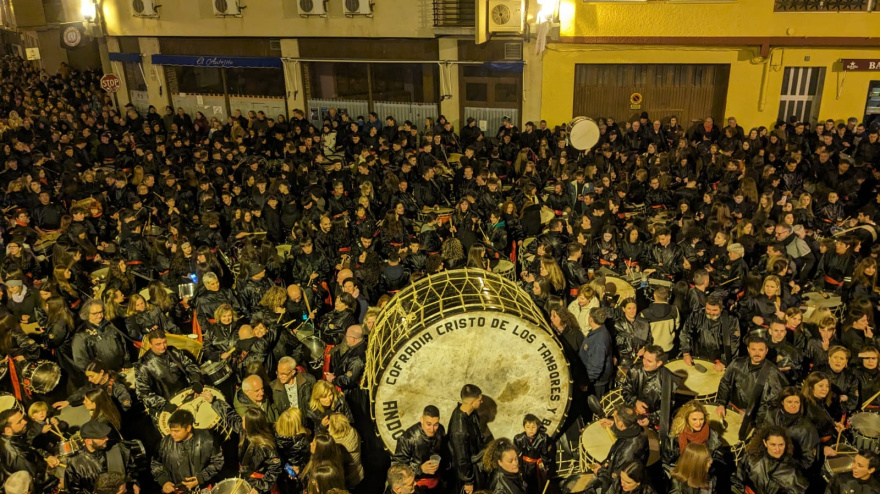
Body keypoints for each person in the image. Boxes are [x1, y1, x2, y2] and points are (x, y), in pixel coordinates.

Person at [715, 336, 786, 434]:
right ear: (748, 349)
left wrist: (751, 416)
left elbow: (773, 404)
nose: (757, 353)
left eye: (760, 350)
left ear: (766, 351)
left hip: (756, 421)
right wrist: (721, 403)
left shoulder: (773, 373)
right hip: (732, 410)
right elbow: (725, 383)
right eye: (753, 349)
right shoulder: (737, 364)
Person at [134, 329, 203, 419]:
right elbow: (143, 393)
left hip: (187, 395)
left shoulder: (173, 351)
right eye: (158, 344)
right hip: (168, 406)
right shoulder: (143, 365)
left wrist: (196, 380)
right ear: (150, 345)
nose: (163, 346)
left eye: (164, 342)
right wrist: (164, 405)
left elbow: (190, 365)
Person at [151, 409, 224, 493]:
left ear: (188, 428)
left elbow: (217, 461)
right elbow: (156, 464)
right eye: (171, 430)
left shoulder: (207, 440)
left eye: (176, 431)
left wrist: (200, 478)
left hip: (202, 488)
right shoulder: (165, 443)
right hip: (177, 490)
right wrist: (164, 481)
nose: (172, 434)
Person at [63, 420, 134, 494]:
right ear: (88, 441)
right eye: (102, 437)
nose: (107, 438)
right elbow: (72, 490)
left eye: (106, 435)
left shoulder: (114, 448)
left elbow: (130, 467)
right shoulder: (75, 463)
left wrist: (133, 483)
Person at [620, 345, 680, 429]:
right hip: (632, 412)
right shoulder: (635, 370)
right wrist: (636, 402)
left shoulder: (667, 378)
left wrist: (651, 418)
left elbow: (668, 406)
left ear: (659, 363)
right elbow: (626, 390)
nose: (644, 362)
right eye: (644, 358)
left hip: (653, 418)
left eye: (649, 361)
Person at [735, 426, 808, 494]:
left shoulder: (792, 469)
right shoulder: (752, 458)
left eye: (781, 445)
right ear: (765, 443)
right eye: (773, 445)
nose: (777, 449)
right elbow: (737, 480)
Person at [392, 405, 447, 493]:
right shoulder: (408, 438)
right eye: (428, 424)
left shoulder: (440, 430)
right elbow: (396, 468)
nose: (432, 429)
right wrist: (420, 469)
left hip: (436, 484)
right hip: (415, 486)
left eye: (435, 424)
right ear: (421, 420)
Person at [0, 409, 60, 490]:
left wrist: (46, 456)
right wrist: (57, 481)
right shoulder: (16, 454)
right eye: (19, 422)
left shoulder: (13, 437)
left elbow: (29, 448)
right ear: (8, 430)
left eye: (23, 418)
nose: (25, 422)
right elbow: (35, 479)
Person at [680, 296, 741, 370]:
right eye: (708, 309)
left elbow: (734, 343)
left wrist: (723, 362)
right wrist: (686, 353)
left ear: (721, 309)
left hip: (719, 361)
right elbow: (685, 333)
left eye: (714, 310)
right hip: (698, 356)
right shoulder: (696, 315)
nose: (711, 313)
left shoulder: (731, 320)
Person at [73, 299, 130, 372]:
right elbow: (81, 361)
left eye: (101, 312)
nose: (99, 315)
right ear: (87, 314)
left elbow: (123, 345)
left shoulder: (110, 326)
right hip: (101, 374)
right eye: (95, 313)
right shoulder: (81, 335)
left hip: (121, 370)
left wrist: (126, 363)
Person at [448, 384, 485, 494]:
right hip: (468, 473)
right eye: (479, 400)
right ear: (471, 402)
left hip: (475, 466)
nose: (481, 402)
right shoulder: (459, 430)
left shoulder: (471, 414)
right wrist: (468, 481)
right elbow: (462, 459)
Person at [512, 414, 554, 494]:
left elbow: (544, 453)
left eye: (533, 427)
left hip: (537, 465)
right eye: (528, 427)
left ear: (538, 427)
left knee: (537, 485)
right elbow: (517, 455)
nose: (531, 429)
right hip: (524, 465)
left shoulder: (543, 438)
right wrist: (519, 468)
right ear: (524, 427)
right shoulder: (519, 438)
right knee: (524, 485)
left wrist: (546, 466)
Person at [275, 407, 312, 494]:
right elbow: (309, 461)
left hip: (282, 476)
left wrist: (288, 469)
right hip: (298, 476)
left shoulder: (275, 437)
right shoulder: (303, 440)